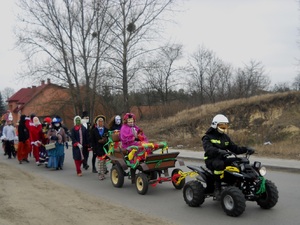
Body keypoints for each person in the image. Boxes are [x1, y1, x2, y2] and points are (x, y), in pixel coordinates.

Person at [202, 114, 255, 200]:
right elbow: (208, 149)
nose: (224, 127)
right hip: (211, 160)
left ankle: (237, 183)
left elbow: (234, 148)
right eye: (222, 125)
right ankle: (217, 188)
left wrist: (246, 149)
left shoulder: (225, 137)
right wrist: (218, 151)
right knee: (219, 165)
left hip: (223, 159)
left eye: (225, 125)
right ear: (215, 125)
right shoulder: (207, 137)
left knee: (241, 161)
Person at [90, 115, 109, 180]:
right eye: (99, 122)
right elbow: (92, 141)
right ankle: (100, 174)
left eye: (102, 122)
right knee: (100, 161)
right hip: (98, 148)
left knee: (104, 161)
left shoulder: (106, 130)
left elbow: (109, 139)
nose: (101, 123)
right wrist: (94, 149)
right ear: (97, 123)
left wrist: (105, 140)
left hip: (105, 148)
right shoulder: (94, 130)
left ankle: (103, 172)